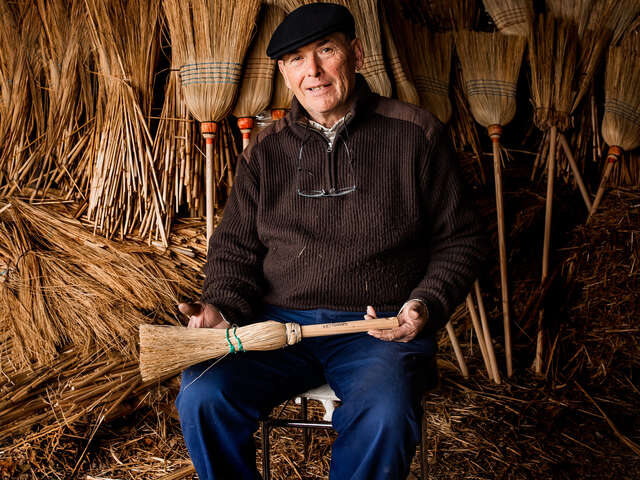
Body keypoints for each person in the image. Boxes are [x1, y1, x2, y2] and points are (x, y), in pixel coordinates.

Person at [176, 3, 487, 479]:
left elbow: (460, 240)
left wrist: (425, 303)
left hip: (376, 328)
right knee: (202, 392)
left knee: (385, 412)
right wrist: (221, 307)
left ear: (356, 54)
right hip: (275, 327)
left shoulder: (416, 134)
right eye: (297, 60)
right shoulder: (265, 151)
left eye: (325, 51)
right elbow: (235, 249)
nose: (314, 72)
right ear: (283, 72)